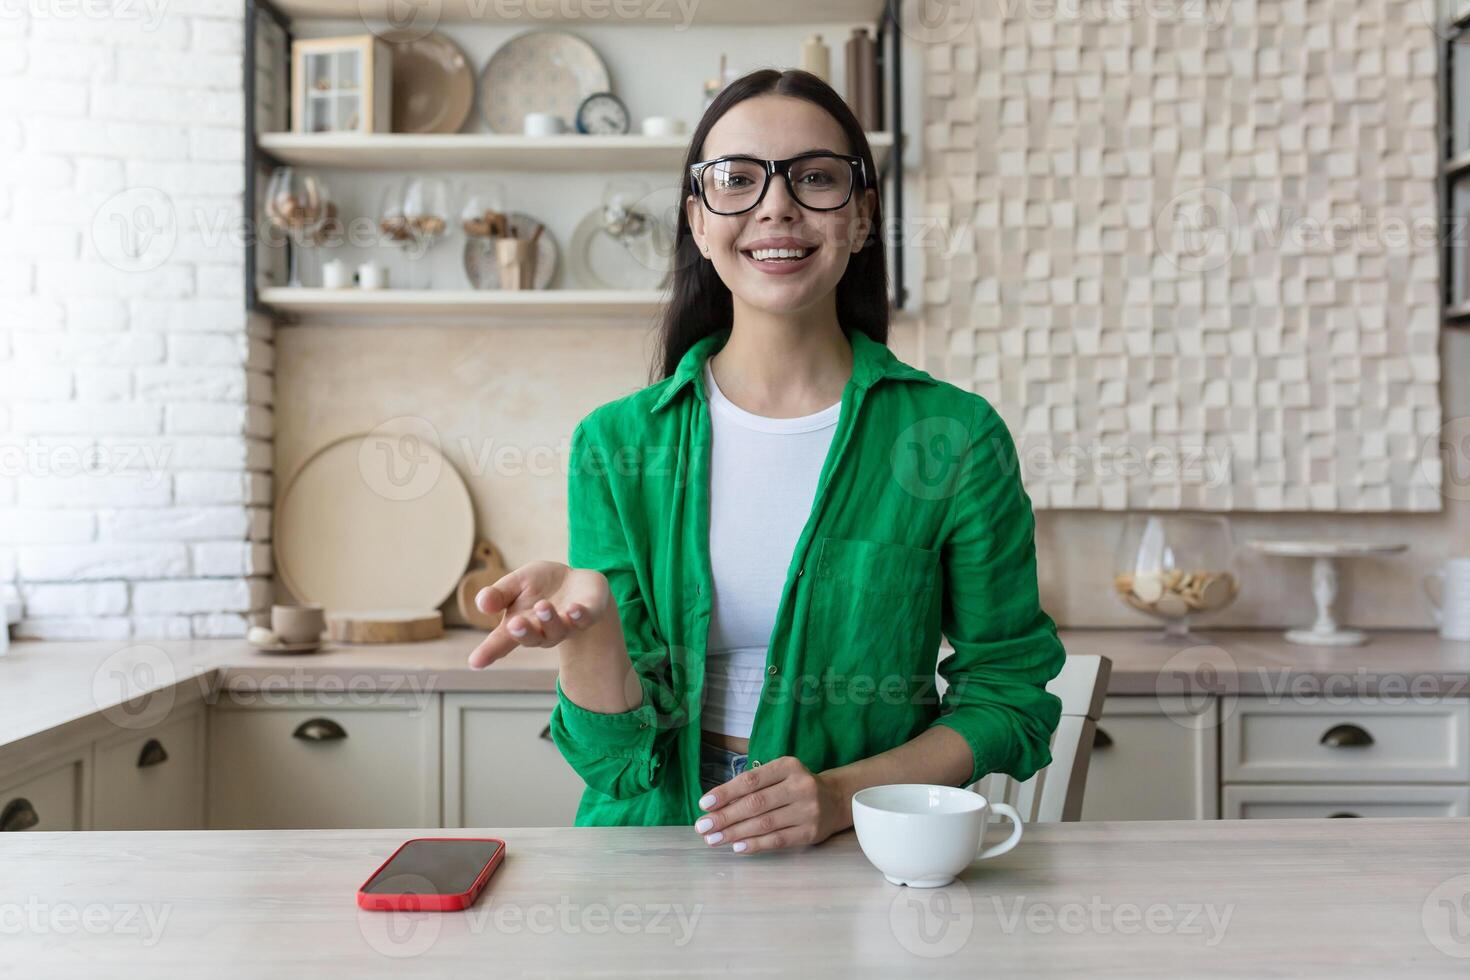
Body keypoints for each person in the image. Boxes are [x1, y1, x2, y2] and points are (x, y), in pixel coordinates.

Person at [468, 69, 1065, 855]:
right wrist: (592, 628)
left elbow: (1009, 696)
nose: (776, 205)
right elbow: (615, 762)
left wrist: (839, 796)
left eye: (815, 178)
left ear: (860, 219)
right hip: (653, 850)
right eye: (737, 180)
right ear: (699, 221)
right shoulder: (617, 446)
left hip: (865, 849)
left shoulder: (953, 437)